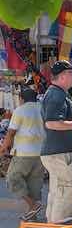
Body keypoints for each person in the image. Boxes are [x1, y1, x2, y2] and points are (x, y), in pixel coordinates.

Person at [40, 60, 72, 223]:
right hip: (62, 155)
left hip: (59, 153)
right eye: (71, 73)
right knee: (65, 194)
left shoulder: (59, 93)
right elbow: (51, 122)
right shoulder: (57, 95)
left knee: (57, 193)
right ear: (62, 77)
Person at [0, 87, 45, 219]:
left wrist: (3, 148)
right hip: (41, 152)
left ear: (21, 99)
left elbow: (11, 132)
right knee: (34, 183)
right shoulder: (42, 108)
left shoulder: (20, 110)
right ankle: (32, 215)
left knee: (12, 179)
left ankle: (33, 205)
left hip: (24, 153)